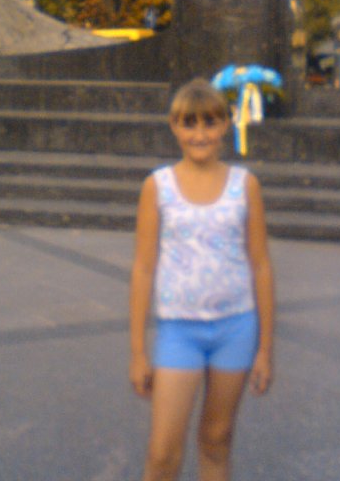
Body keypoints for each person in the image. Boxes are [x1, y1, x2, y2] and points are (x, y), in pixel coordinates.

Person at [129, 78, 274, 481]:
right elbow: (143, 268)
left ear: (226, 124)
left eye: (210, 123)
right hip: (180, 330)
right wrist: (138, 352)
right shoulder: (157, 186)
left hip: (235, 327)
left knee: (216, 439)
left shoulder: (244, 185)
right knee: (162, 452)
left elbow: (261, 264)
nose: (200, 134)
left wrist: (264, 349)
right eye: (189, 124)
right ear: (174, 127)